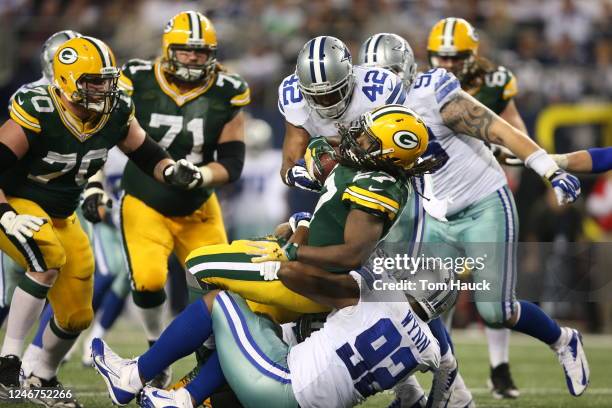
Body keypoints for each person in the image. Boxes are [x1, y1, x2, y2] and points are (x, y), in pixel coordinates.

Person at [92, 105, 449, 408]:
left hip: (290, 355)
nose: (358, 139)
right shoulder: (425, 343)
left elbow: (351, 254)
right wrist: (305, 224)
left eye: (370, 139)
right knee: (251, 316)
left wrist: (293, 253)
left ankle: (149, 375)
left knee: (204, 272)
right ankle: (189, 394)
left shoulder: (378, 197)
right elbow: (440, 362)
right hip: (310, 370)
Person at [0, 35, 204, 406]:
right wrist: (5, 213)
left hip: (63, 213)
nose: (103, 89)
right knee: (45, 258)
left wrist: (171, 170)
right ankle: (7, 363)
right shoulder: (40, 108)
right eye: (93, 81)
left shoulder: (115, 112)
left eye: (107, 80)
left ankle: (41, 378)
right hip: (19, 203)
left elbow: (144, 151)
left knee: (77, 313)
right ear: (64, 80)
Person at [116, 10, 250, 387]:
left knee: (221, 287)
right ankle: (156, 348)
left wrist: (202, 174)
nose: (193, 58)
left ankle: (214, 364)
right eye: (185, 50)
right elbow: (106, 133)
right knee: (148, 281)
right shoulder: (137, 80)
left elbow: (233, 163)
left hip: (197, 205)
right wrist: (94, 182)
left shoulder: (228, 89)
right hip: (145, 199)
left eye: (201, 51)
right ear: (167, 49)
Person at [426, 17, 526, 398]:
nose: (447, 63)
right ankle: (447, 374)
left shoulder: (495, 81)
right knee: (438, 290)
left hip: (482, 191)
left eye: (456, 56)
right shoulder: (427, 86)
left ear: (472, 54)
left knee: (492, 289)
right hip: (440, 199)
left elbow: (514, 128)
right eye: (441, 55)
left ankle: (499, 367)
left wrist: (510, 151)